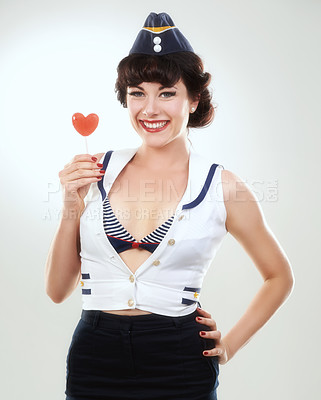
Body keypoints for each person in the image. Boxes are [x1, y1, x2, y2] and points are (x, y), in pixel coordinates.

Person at [45, 12, 294, 400]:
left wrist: (228, 345)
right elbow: (58, 291)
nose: (150, 109)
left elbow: (279, 276)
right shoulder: (93, 171)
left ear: (193, 100)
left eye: (166, 93)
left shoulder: (223, 187)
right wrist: (70, 206)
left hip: (179, 359)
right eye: (137, 93)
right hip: (94, 357)